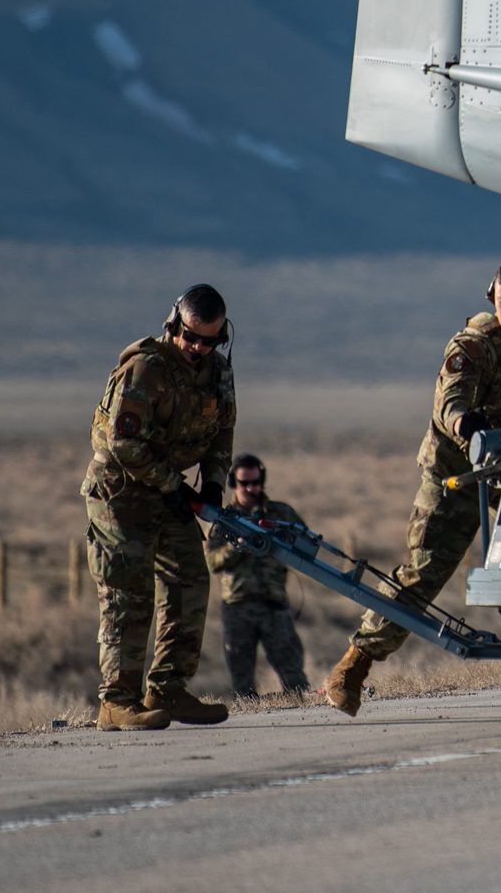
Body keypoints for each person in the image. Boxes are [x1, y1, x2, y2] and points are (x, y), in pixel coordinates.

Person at [322, 257, 501, 718]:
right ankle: (354, 665)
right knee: (424, 571)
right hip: (456, 469)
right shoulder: (473, 346)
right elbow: (450, 400)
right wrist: (466, 426)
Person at [82, 285, 238, 730]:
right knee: (128, 594)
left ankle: (168, 689)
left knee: (190, 578)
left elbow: (222, 431)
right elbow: (122, 442)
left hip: (167, 490)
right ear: (174, 324)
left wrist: (213, 484)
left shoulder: (218, 373)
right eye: (191, 337)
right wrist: (172, 484)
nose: (197, 348)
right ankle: (117, 701)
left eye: (209, 341)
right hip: (120, 492)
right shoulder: (145, 368)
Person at [204, 453, 308, 699]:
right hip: (237, 607)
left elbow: (305, 545)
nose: (251, 489)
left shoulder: (280, 515)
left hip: (274, 605)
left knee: (294, 676)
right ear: (233, 484)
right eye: (244, 484)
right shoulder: (224, 520)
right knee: (242, 683)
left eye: (255, 482)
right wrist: (237, 546)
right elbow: (212, 562)